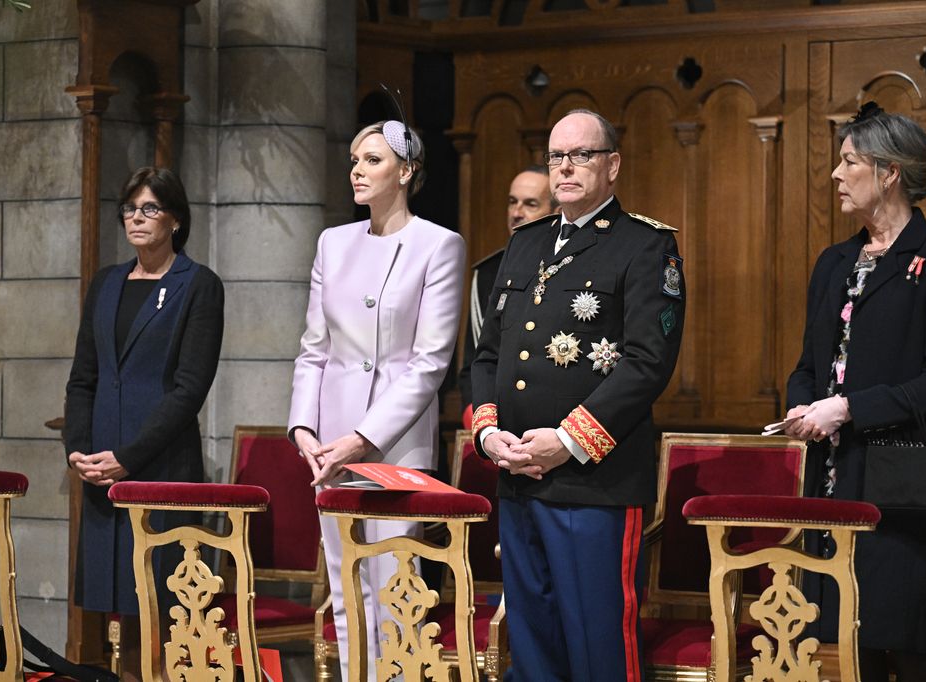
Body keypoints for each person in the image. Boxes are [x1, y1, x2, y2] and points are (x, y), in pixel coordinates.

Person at [470, 109, 685, 681]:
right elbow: (489, 354)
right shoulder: (525, 244)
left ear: (612, 165)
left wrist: (568, 440)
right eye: (556, 156)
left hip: (595, 483)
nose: (566, 167)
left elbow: (647, 363)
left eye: (581, 155)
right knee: (534, 645)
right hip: (518, 475)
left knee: (597, 649)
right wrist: (490, 435)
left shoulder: (645, 246)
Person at [784, 102, 926, 681]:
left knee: (904, 638)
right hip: (831, 476)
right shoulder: (833, 261)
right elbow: (806, 364)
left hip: (899, 478)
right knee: (841, 640)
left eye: (848, 162)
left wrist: (848, 408)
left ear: (889, 172)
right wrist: (800, 403)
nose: (836, 175)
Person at [287, 120, 465, 680]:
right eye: (354, 160)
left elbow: (430, 362)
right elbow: (313, 350)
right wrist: (303, 431)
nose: (356, 171)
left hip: (394, 448)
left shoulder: (439, 244)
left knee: (394, 592)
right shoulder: (332, 243)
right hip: (328, 449)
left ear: (406, 172)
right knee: (344, 593)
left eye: (372, 160)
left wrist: (362, 440)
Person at [64, 167, 224, 623]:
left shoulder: (198, 285)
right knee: (114, 606)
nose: (137, 218)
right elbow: (83, 378)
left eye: (150, 208)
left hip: (160, 467)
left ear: (175, 219)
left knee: (161, 605)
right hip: (102, 469)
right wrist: (78, 451)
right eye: (130, 209)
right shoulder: (106, 283)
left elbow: (189, 388)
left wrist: (129, 457)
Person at [458, 165, 557, 423]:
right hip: (498, 419)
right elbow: (477, 359)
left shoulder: (573, 267)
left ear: (556, 212)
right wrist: (481, 420)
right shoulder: (489, 272)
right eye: (512, 202)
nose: (516, 213)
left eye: (530, 204)